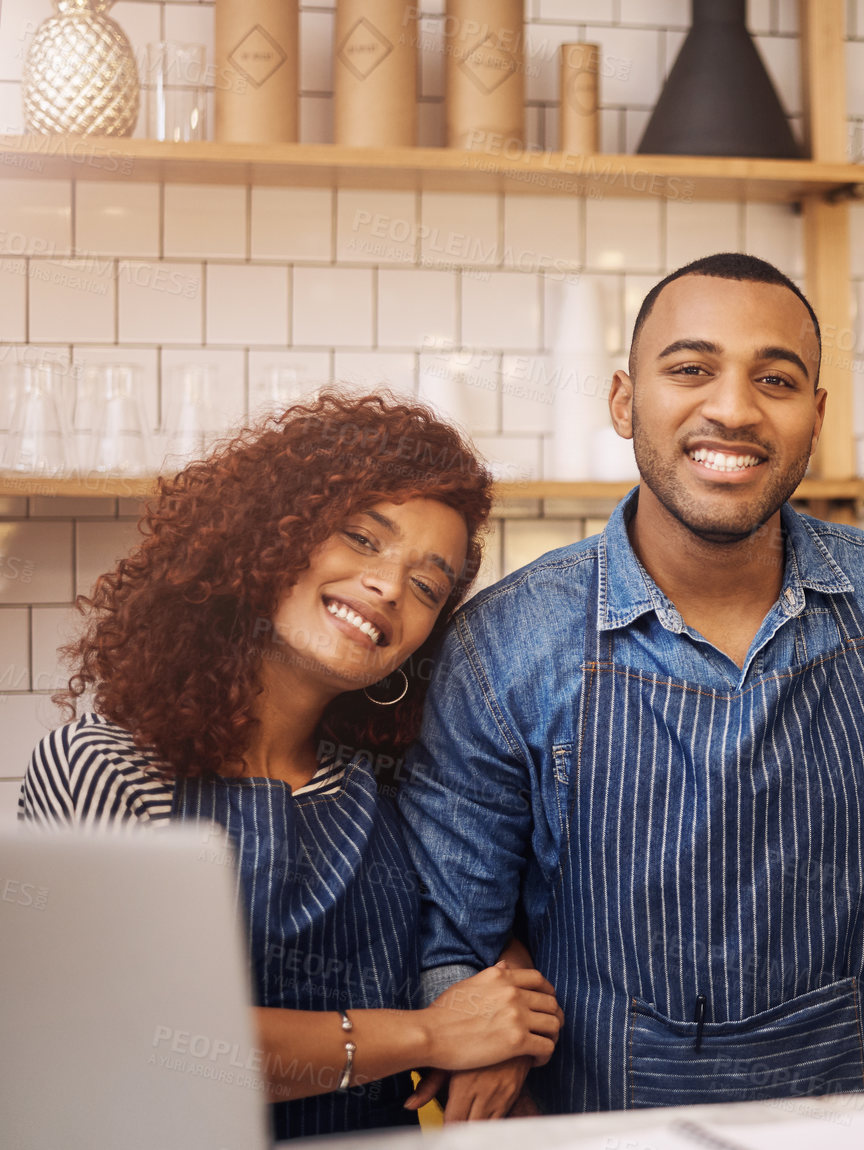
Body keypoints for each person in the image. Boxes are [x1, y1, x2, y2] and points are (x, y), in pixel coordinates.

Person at [399, 252, 864, 1116]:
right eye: (691, 369)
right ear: (623, 401)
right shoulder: (507, 644)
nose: (734, 409)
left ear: (815, 417)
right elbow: (453, 939)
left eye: (776, 380)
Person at [17, 392, 565, 1140]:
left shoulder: (390, 782)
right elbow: (136, 1043)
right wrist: (428, 1036)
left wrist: (499, 1023)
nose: (388, 587)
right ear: (265, 536)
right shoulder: (103, 766)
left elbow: (472, 928)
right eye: (362, 540)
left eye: (428, 586)